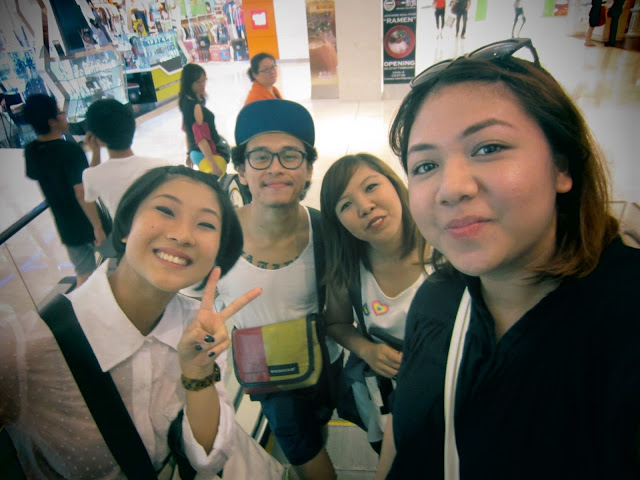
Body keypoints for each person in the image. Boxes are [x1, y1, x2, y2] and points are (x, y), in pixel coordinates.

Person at [376, 37, 640, 479]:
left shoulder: (625, 324)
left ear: (562, 166)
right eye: (425, 166)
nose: (451, 188)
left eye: (488, 148)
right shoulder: (438, 298)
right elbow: (403, 431)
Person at [0, 165, 262, 478]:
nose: (182, 235)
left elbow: (207, 460)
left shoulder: (200, 329)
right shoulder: (22, 348)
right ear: (125, 227)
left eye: (206, 224)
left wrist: (198, 372)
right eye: (165, 210)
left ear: (217, 256)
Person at [216, 99, 340, 480]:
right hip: (269, 381)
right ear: (241, 170)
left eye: (290, 155)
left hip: (323, 366)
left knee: (318, 434)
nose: (275, 168)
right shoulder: (218, 237)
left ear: (308, 169)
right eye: (260, 157)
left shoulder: (327, 231)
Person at [320, 153, 428, 452]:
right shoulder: (348, 269)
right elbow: (337, 323)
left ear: (395, 183)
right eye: (345, 205)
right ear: (337, 222)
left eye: (371, 187)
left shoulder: (444, 248)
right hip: (391, 401)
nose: (365, 206)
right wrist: (367, 350)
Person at [22, 93, 106, 287]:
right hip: (88, 220)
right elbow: (82, 191)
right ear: (52, 121)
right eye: (60, 112)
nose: (64, 115)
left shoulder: (31, 151)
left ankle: (86, 305)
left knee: (84, 275)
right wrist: (97, 226)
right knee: (118, 262)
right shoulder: (70, 150)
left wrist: (95, 152)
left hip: (65, 225)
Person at [83, 98, 170, 219]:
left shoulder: (91, 175)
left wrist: (95, 152)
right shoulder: (162, 167)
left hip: (123, 231)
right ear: (132, 126)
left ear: (95, 137)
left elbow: (90, 194)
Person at [178, 63, 227, 176]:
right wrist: (213, 165)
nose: (202, 85)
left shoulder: (185, 100)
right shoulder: (196, 107)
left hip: (196, 153)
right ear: (189, 83)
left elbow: (187, 130)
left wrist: (189, 153)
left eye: (204, 80)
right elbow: (201, 139)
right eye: (198, 82)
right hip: (206, 154)